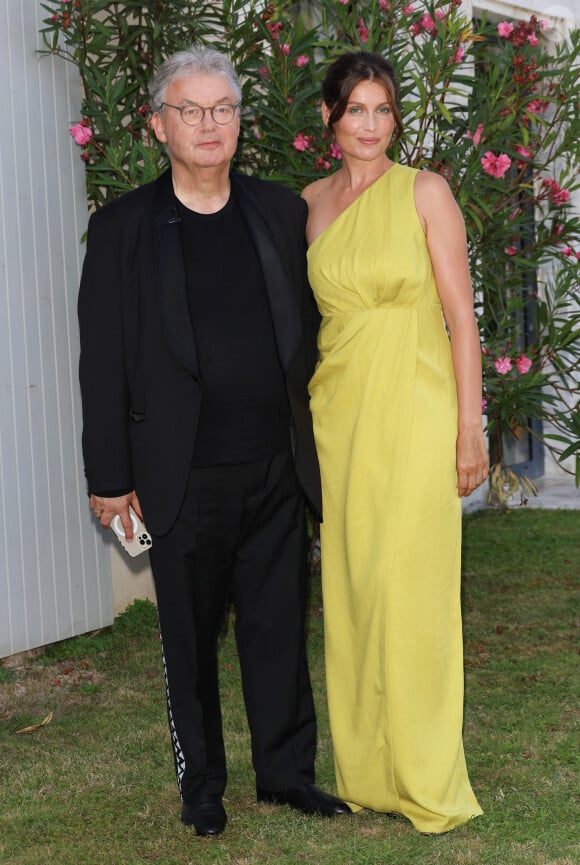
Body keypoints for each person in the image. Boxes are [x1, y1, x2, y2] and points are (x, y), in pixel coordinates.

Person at [78, 44, 350, 837]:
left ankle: (287, 774)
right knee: (189, 640)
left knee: (276, 625)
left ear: (240, 122)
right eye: (190, 110)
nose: (208, 124)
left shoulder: (278, 212)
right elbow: (103, 363)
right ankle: (203, 786)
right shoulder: (123, 228)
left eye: (222, 109)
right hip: (180, 474)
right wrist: (109, 475)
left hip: (273, 462)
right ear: (160, 124)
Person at [301, 51, 487, 834]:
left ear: (395, 118)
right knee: (352, 588)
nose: (370, 126)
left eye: (383, 110)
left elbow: (461, 315)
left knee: (411, 590)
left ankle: (423, 774)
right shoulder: (308, 202)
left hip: (415, 407)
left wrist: (469, 426)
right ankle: (367, 773)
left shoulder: (426, 191)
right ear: (329, 120)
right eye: (356, 111)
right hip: (339, 413)